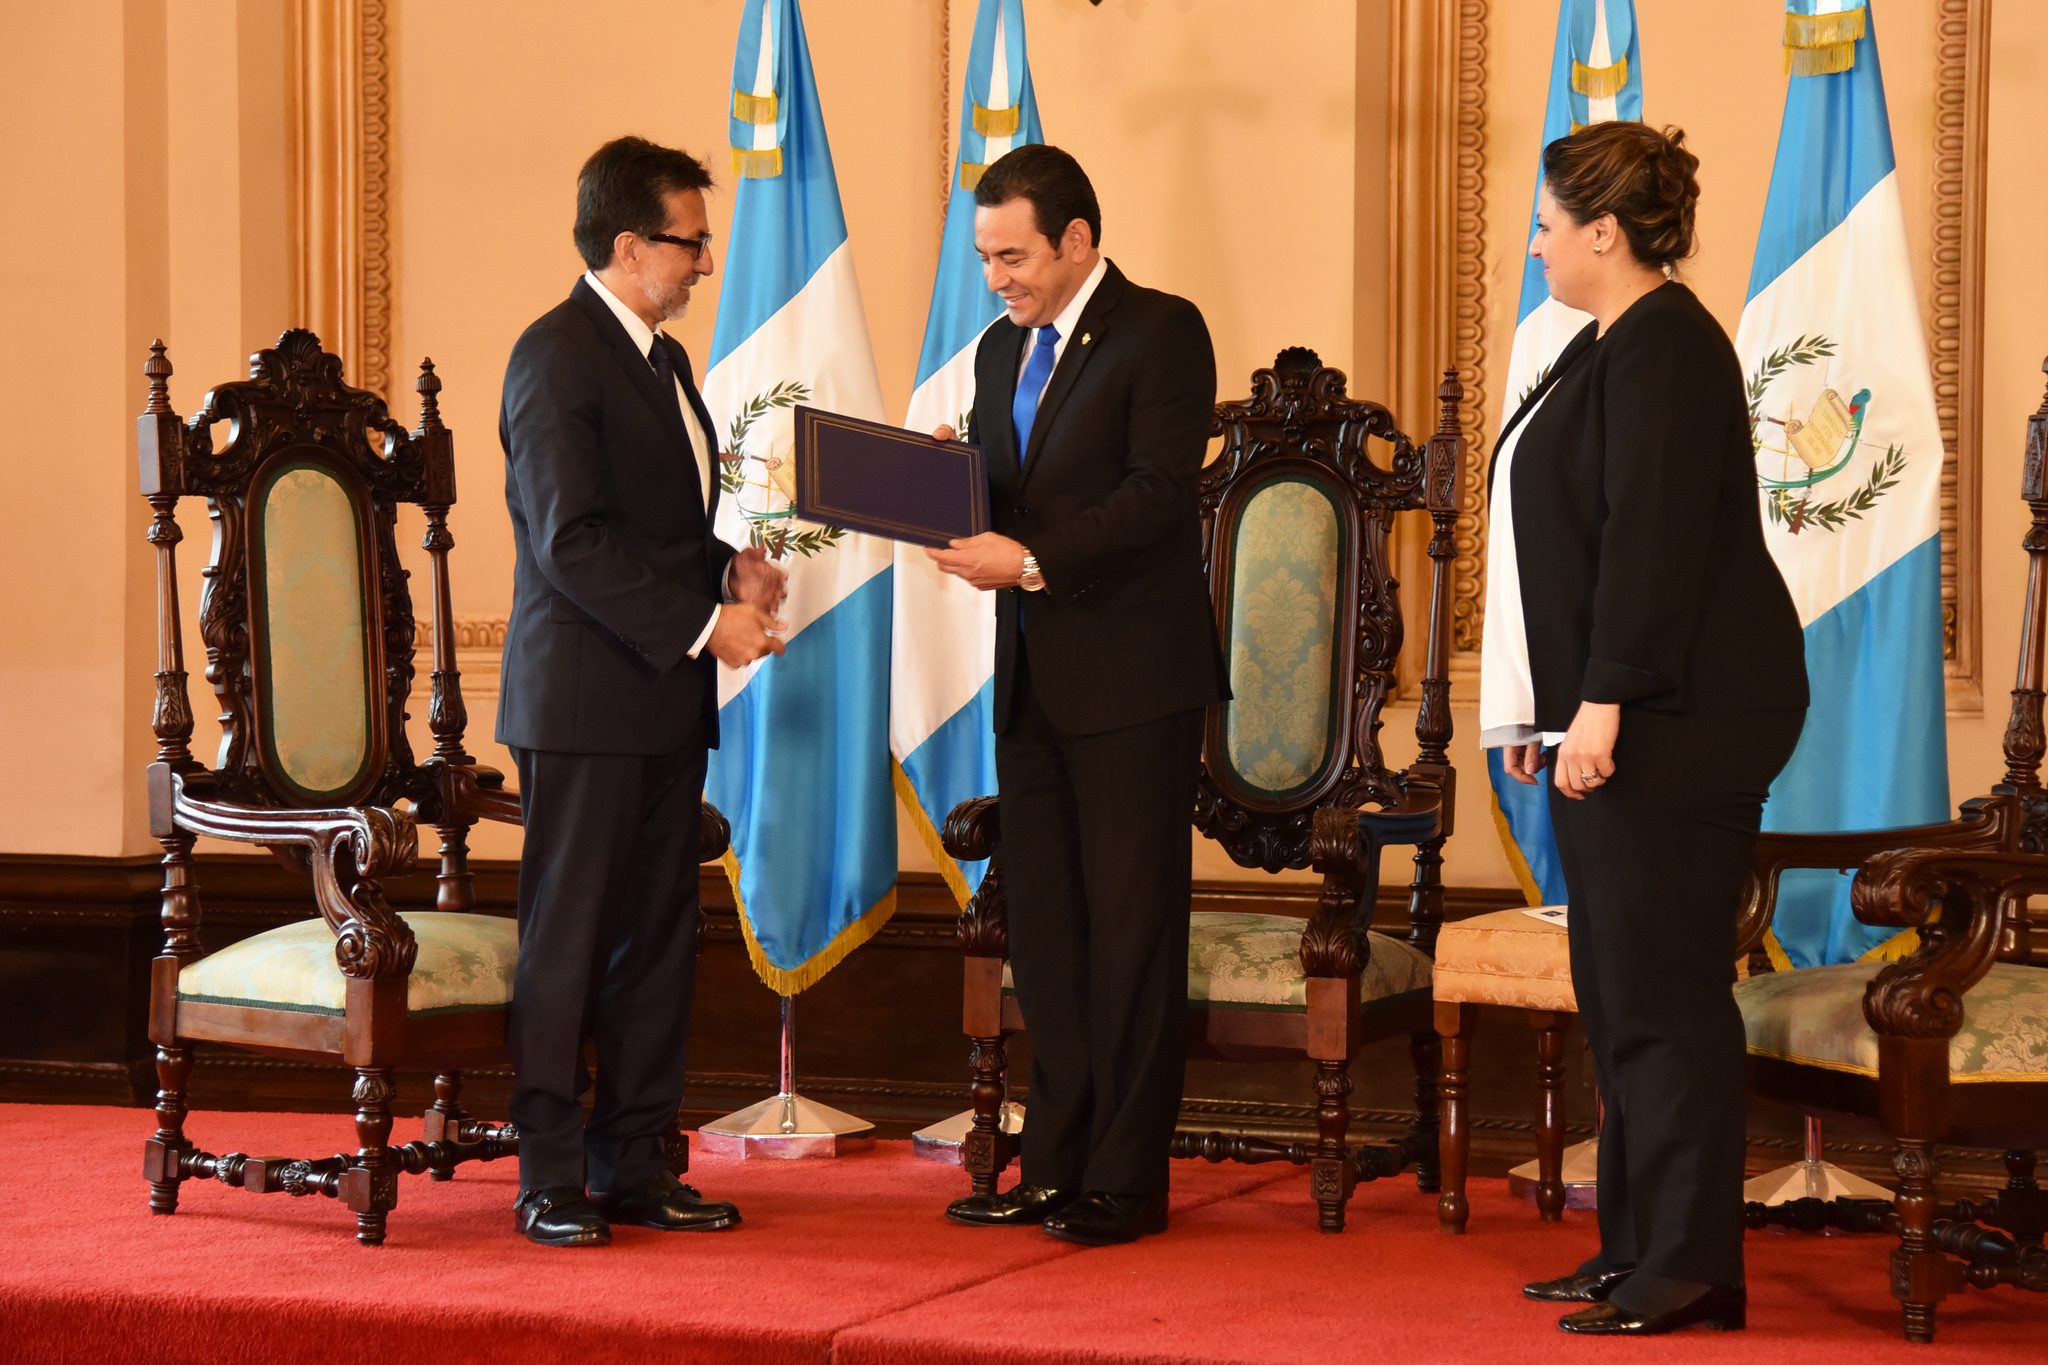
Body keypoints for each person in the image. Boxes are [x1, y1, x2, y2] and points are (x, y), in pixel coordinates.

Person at [1478, 122, 1808, 1333]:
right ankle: (1635, 1248)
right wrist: (1547, 705)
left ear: (1602, 232)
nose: (1535, 242)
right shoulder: (1602, 345)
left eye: (1548, 225)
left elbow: (1650, 542)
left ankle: (1690, 1266)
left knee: (1660, 989)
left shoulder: (1665, 345)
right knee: (1616, 984)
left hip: (1685, 713)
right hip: (1623, 705)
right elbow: (1569, 547)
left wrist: (1602, 700)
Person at [926, 143, 1227, 1246]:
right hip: (1032, 681)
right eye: (984, 259)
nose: (996, 279)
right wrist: (929, 489)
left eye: (1012, 257)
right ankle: (1050, 1166)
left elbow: (1158, 498)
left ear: (1075, 242)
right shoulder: (998, 354)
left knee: (1131, 932)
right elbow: (994, 487)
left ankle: (1123, 1182)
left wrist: (1032, 561)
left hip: (1132, 682)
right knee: (1047, 934)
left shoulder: (1160, 329)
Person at [497, 135, 787, 1247]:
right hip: (582, 703)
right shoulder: (557, 355)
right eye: (688, 241)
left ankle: (634, 1165)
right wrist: (708, 622)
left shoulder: (661, 361)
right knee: (569, 938)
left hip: (662, 696)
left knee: (656, 939)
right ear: (627, 244)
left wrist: (727, 570)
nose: (703, 261)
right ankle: (548, 1175)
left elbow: (648, 531)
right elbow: (570, 541)